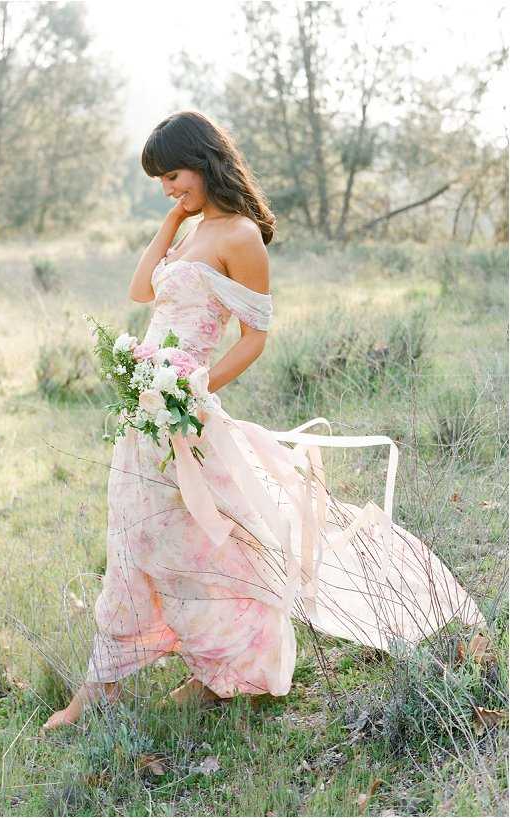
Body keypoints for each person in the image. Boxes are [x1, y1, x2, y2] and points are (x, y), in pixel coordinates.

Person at [42, 111, 486, 731]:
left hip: (186, 413)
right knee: (132, 543)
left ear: (204, 162)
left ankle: (214, 676)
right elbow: (142, 293)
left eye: (174, 176)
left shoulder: (240, 237)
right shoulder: (188, 230)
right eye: (162, 181)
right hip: (145, 418)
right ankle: (109, 685)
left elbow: (255, 338)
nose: (168, 187)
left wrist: (195, 388)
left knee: (222, 548)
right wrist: (171, 220)